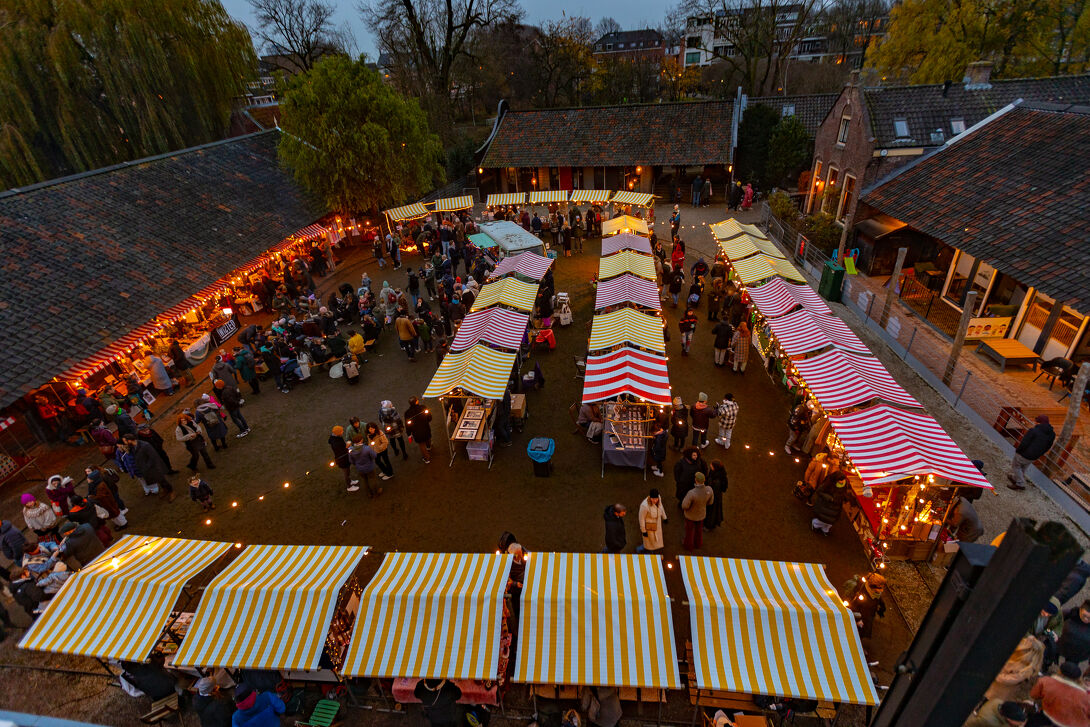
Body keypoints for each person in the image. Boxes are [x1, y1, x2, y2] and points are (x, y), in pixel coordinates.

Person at [1030, 660, 1090, 727]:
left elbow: (1034, 695)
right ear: (1078, 678)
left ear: (1060, 671)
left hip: (1047, 716)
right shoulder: (1086, 697)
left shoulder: (1045, 681)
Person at [122, 433, 175, 502]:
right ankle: (165, 490)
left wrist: (146, 467)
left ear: (129, 441)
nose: (124, 443)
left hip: (154, 468)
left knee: (163, 480)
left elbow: (153, 457)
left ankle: (171, 492)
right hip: (147, 469)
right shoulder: (133, 447)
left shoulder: (145, 445)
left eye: (125, 441)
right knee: (158, 481)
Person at [1008, 414, 1056, 491]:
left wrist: (1018, 450)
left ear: (1039, 422)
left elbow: (1025, 442)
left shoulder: (1033, 431)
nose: (1035, 423)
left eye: (1037, 421)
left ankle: (1020, 483)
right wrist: (1040, 454)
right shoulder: (1052, 434)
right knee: (1023, 468)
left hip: (1024, 453)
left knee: (1016, 466)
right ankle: (1015, 478)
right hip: (1034, 456)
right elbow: (1048, 446)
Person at [845, 572, 886, 639]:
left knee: (863, 631)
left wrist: (882, 608)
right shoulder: (861, 592)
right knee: (856, 632)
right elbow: (853, 606)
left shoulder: (875, 593)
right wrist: (858, 620)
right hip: (861, 617)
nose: (881, 591)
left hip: (868, 616)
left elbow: (879, 599)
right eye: (879, 588)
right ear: (872, 586)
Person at [681, 473, 714, 551]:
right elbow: (711, 502)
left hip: (691, 516)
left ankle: (688, 546)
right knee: (699, 531)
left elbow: (684, 505)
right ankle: (698, 544)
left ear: (696, 480)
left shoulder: (692, 493)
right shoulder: (709, 489)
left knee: (689, 531)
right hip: (701, 514)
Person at [811, 469, 849, 535]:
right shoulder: (828, 483)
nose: (842, 481)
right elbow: (819, 491)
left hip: (836, 506)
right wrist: (829, 498)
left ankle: (825, 529)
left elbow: (844, 492)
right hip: (825, 505)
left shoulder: (844, 484)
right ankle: (815, 525)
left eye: (843, 480)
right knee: (822, 519)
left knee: (830, 521)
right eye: (840, 480)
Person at [1057, 600, 1090, 666]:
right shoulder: (1070, 614)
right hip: (1060, 645)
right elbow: (1053, 624)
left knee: (1069, 669)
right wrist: (1051, 635)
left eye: (1089, 618)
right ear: (1080, 610)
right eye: (1084, 616)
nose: (1086, 619)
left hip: (1078, 654)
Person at [405, 396, 433, 464]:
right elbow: (429, 418)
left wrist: (409, 434)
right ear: (416, 401)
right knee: (427, 438)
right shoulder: (423, 407)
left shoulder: (407, 413)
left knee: (422, 445)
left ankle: (427, 458)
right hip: (425, 428)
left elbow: (407, 425)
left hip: (416, 432)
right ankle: (429, 447)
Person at [329, 426, 357, 491]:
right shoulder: (335, 442)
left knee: (348, 471)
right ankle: (349, 486)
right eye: (341, 431)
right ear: (338, 432)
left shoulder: (336, 437)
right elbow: (342, 451)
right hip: (342, 459)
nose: (342, 432)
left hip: (344, 458)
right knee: (346, 473)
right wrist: (347, 446)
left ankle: (350, 481)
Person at [963, 700, 1027, 727]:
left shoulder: (999, 703)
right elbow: (968, 725)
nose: (1020, 725)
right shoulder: (986, 720)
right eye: (1019, 723)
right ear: (1009, 719)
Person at [704, 460, 728, 530]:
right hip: (712, 495)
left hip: (714, 497)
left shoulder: (717, 480)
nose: (710, 465)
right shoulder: (715, 472)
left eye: (712, 465)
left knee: (712, 512)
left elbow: (714, 490)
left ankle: (709, 526)